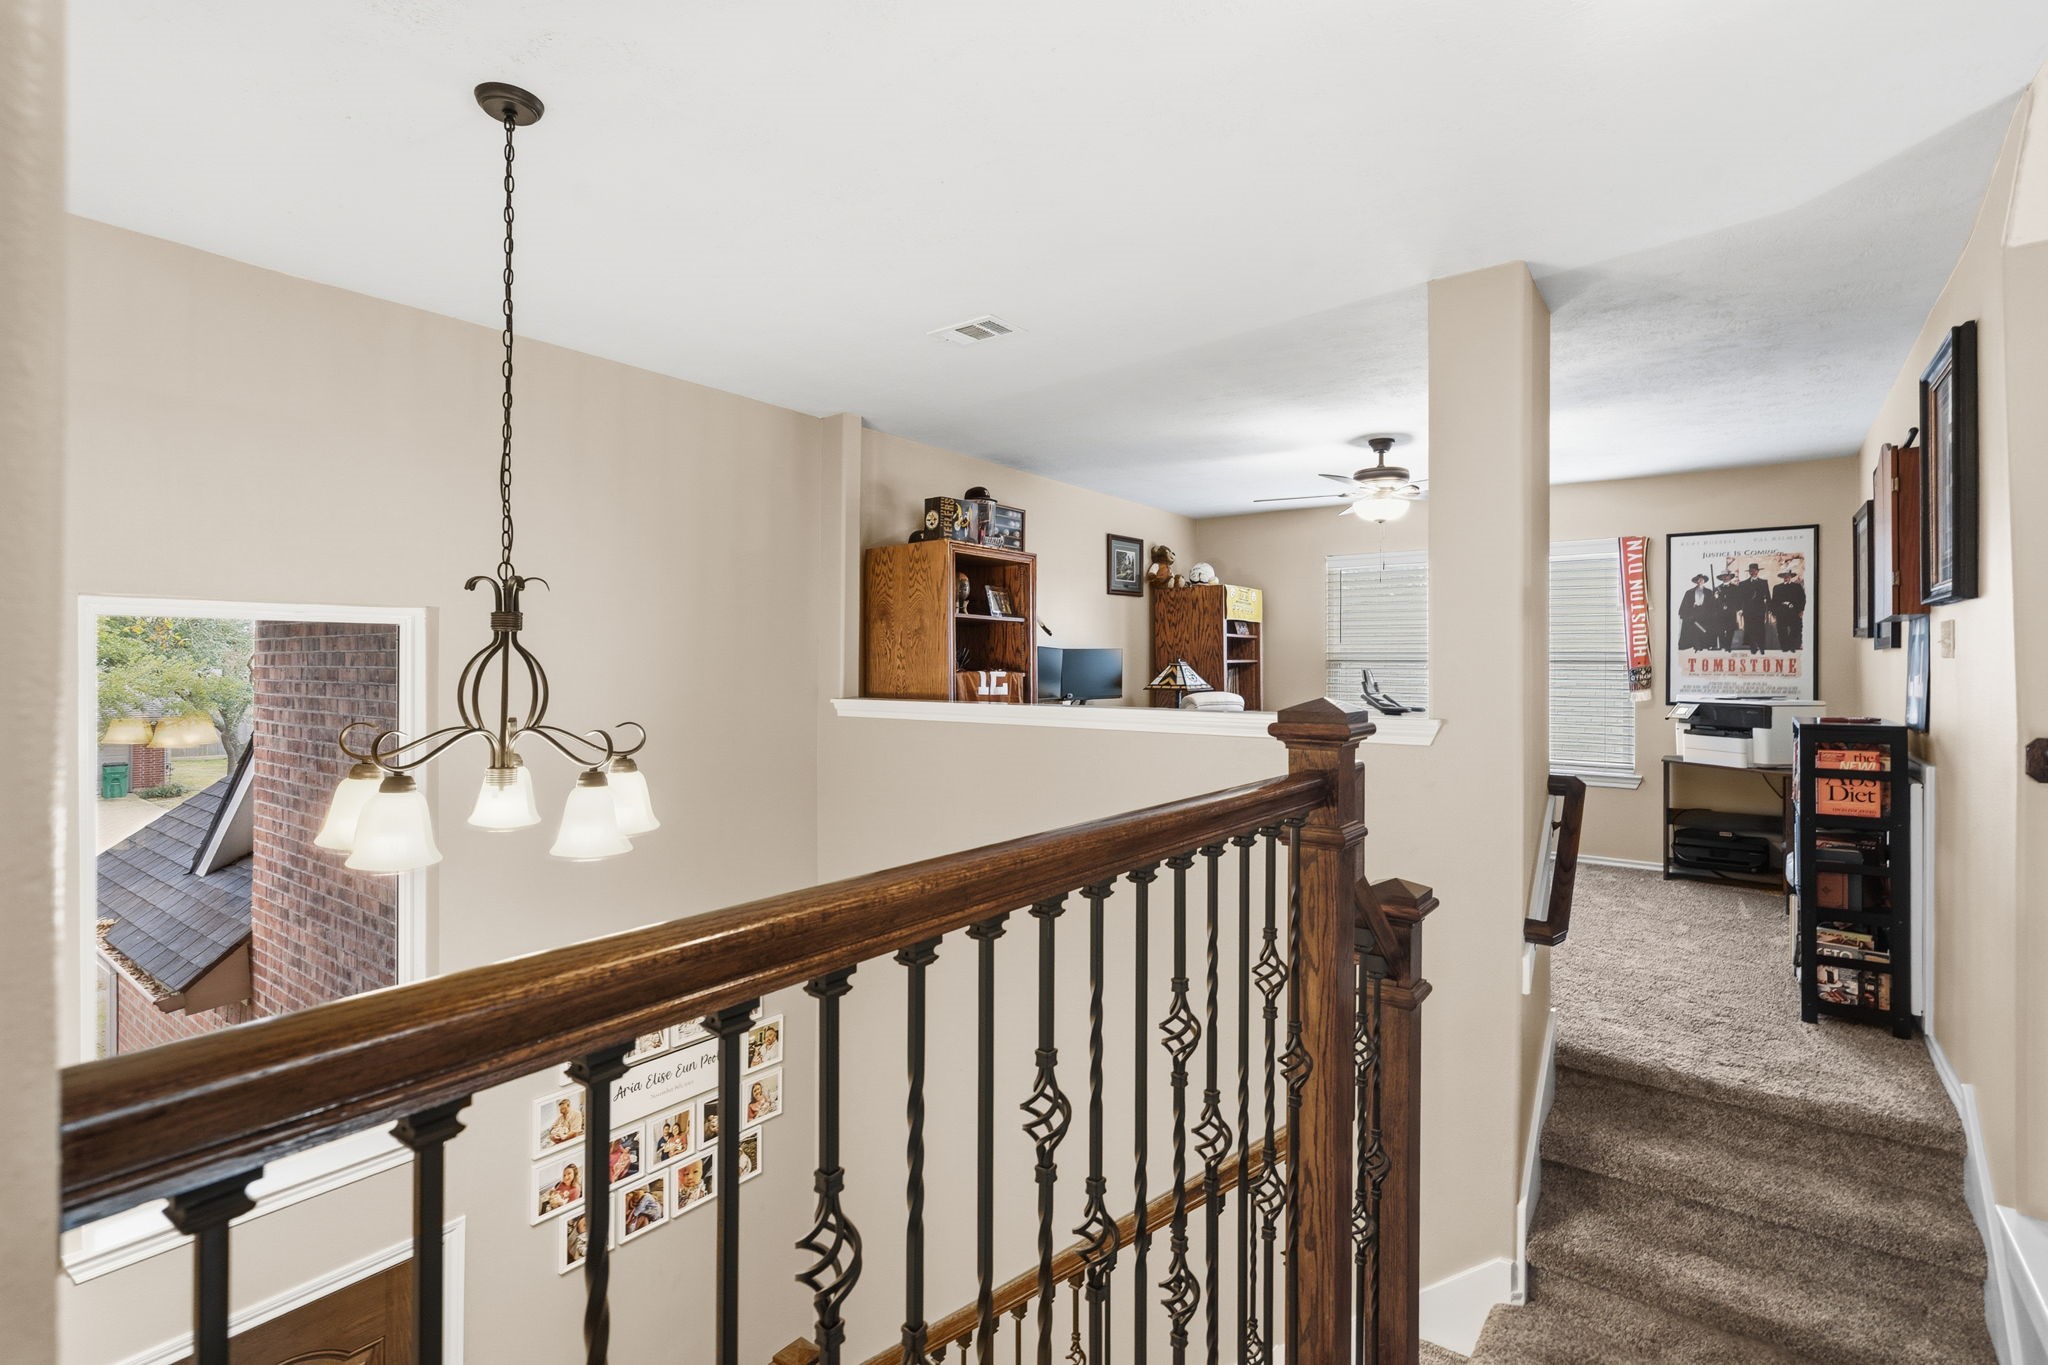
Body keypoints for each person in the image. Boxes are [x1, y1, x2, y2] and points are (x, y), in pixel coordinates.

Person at [1733, 562, 1772, 653]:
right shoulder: (1743, 584)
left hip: (1760, 610)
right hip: (1748, 610)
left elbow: (1768, 596)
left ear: (1758, 571)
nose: (1753, 572)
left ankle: (1761, 647)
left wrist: (1769, 609)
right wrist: (1739, 609)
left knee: (1760, 628)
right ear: (1749, 572)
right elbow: (1739, 598)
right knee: (1750, 629)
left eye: (1755, 570)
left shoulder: (1763, 582)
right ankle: (1753, 648)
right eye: (1751, 571)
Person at [1676, 573, 1717, 651]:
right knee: (1695, 630)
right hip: (1694, 614)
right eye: (1699, 579)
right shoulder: (1689, 592)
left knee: (1704, 630)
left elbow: (1712, 605)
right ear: (1696, 581)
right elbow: (1685, 605)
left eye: (1702, 579)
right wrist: (1687, 613)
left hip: (1705, 615)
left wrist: (1715, 597)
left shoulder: (1709, 592)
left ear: (1704, 581)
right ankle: (1696, 647)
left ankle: (1705, 645)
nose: (1700, 581)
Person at [1771, 567, 1807, 651]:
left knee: (1796, 629)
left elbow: (1803, 599)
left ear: (1791, 576)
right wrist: (1774, 613)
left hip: (1794, 612)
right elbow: (1774, 601)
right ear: (1782, 577)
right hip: (1781, 612)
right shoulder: (1777, 588)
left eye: (1788, 575)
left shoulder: (1797, 587)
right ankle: (1785, 648)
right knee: (1781, 631)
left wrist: (1801, 611)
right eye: (1784, 576)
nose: (1786, 577)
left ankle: (1793, 647)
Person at [1711, 570, 1741, 650]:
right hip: (1720, 613)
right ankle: (1723, 646)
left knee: (1730, 630)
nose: (1725, 577)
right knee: (1720, 630)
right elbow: (1713, 603)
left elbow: (1738, 601)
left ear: (1730, 577)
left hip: (1731, 612)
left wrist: (1738, 609)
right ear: (1721, 578)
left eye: (1727, 576)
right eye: (1723, 576)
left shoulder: (1735, 588)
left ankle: (1728, 647)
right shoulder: (1717, 589)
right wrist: (1715, 598)